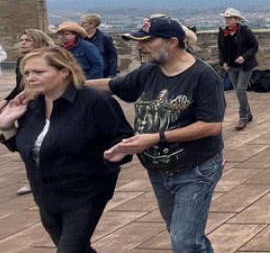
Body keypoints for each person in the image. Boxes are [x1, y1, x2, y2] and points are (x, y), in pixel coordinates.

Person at [90, 16, 226, 253]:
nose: (139, 46)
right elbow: (111, 85)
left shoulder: (203, 76)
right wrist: (65, 83)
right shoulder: (148, 72)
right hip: (158, 170)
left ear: (171, 42)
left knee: (184, 240)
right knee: (182, 235)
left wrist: (155, 138)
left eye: (146, 41)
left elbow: (211, 126)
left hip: (196, 169)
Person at [0, 46, 134, 252]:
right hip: (46, 193)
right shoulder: (32, 104)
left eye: (39, 72)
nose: (30, 78)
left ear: (64, 72)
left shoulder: (96, 102)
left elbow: (122, 137)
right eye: (27, 73)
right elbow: (26, 147)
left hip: (85, 192)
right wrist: (6, 126)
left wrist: (114, 155)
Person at [0, 28, 55, 196]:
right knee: (25, 141)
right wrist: (6, 100)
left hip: (43, 103)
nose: (22, 43)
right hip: (25, 106)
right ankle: (33, 178)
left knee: (46, 140)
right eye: (21, 40)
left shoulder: (51, 59)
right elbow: (19, 86)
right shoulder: (22, 60)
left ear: (38, 41)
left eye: (27, 40)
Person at [217, 7, 258, 130]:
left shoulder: (245, 31)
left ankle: (243, 115)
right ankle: (248, 113)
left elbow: (254, 46)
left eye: (230, 18)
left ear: (236, 19)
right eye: (226, 18)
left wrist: (244, 57)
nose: (227, 20)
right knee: (238, 90)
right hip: (231, 66)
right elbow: (221, 49)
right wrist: (222, 62)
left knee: (240, 89)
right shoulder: (223, 33)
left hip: (245, 65)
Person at [81, 13, 120, 78]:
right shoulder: (79, 37)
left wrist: (112, 74)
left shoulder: (104, 38)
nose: (81, 25)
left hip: (101, 73)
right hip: (83, 73)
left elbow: (112, 55)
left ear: (92, 24)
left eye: (84, 23)